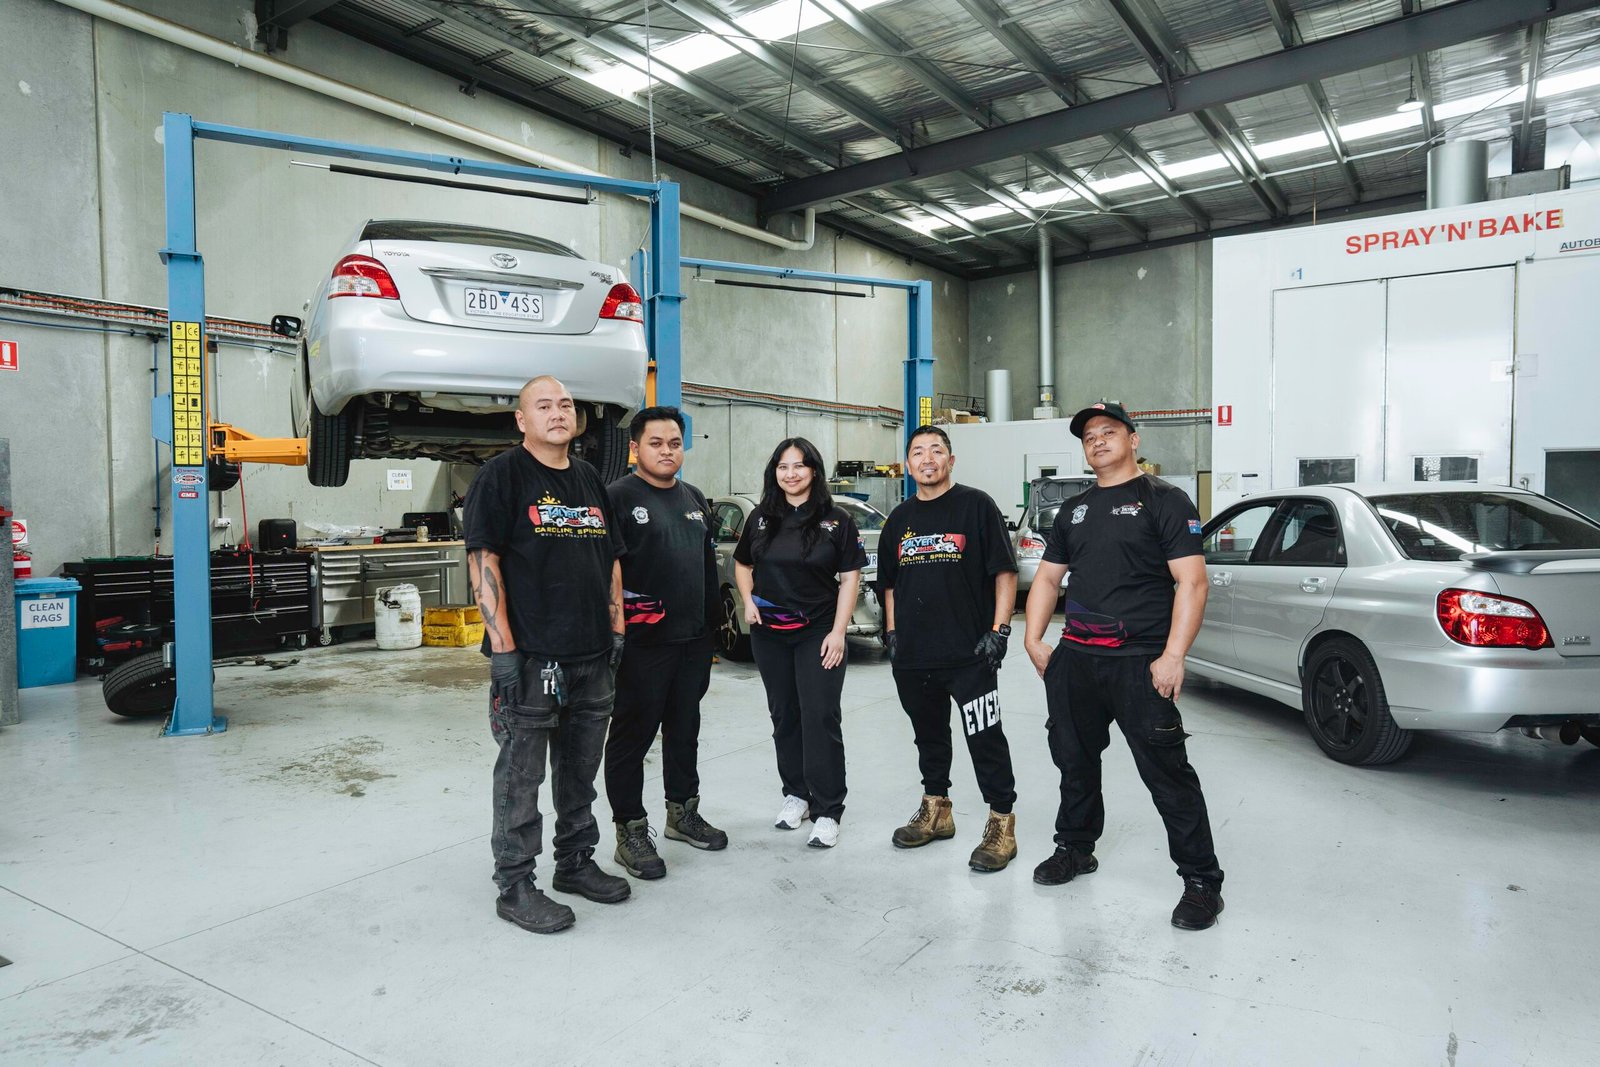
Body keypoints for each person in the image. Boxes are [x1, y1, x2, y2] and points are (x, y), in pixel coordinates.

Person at [1022, 401, 1226, 931]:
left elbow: (1192, 582)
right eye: (1088, 435)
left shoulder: (1164, 500)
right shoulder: (1074, 510)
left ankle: (1202, 882)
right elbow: (1047, 579)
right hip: (1076, 659)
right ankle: (1075, 848)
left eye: (1108, 431)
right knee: (1074, 761)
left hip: (1140, 661)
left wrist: (1173, 656)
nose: (1097, 440)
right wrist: (1034, 638)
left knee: (1167, 773)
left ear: (1133, 440)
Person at [464, 375, 632, 935]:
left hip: (591, 655)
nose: (558, 413)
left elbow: (611, 559)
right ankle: (515, 884)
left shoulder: (589, 478)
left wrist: (616, 629)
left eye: (565, 405)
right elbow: (484, 561)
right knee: (521, 777)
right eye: (543, 405)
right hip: (532, 659)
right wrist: (504, 651)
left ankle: (575, 862)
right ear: (522, 419)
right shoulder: (501, 476)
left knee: (580, 772)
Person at [878, 425, 1022, 871]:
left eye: (936, 450)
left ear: (951, 460)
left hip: (970, 654)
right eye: (918, 452)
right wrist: (892, 632)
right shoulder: (899, 520)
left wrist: (999, 630)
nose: (927, 458)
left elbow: (1004, 572)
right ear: (908, 465)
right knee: (928, 736)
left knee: (986, 738)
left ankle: (1002, 823)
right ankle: (936, 810)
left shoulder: (977, 506)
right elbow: (889, 584)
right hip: (914, 655)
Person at [603, 406, 728, 880]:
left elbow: (703, 567)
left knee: (684, 730)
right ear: (635, 448)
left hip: (692, 642)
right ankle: (630, 830)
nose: (667, 451)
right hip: (642, 645)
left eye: (675, 443)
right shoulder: (617, 497)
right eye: (656, 443)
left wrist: (711, 633)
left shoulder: (693, 497)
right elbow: (607, 572)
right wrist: (615, 635)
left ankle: (682, 812)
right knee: (631, 737)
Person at [733, 437, 867, 849]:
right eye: (783, 466)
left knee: (820, 715)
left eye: (798, 466)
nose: (790, 474)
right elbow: (742, 563)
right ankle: (796, 794)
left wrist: (838, 632)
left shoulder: (836, 520)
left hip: (817, 631)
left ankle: (828, 809)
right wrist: (747, 600)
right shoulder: (761, 517)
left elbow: (850, 578)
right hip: (770, 634)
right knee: (784, 714)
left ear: (813, 470)